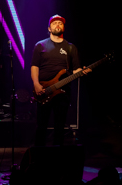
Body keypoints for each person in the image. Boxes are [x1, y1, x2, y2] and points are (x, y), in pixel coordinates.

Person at [31, 15, 88, 146]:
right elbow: (34, 66)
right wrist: (36, 84)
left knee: (60, 125)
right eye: (54, 23)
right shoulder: (40, 45)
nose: (58, 25)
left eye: (60, 23)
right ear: (49, 28)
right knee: (41, 126)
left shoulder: (70, 47)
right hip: (44, 90)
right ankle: (38, 154)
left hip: (63, 91)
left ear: (64, 27)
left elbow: (76, 70)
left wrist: (82, 72)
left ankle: (58, 154)